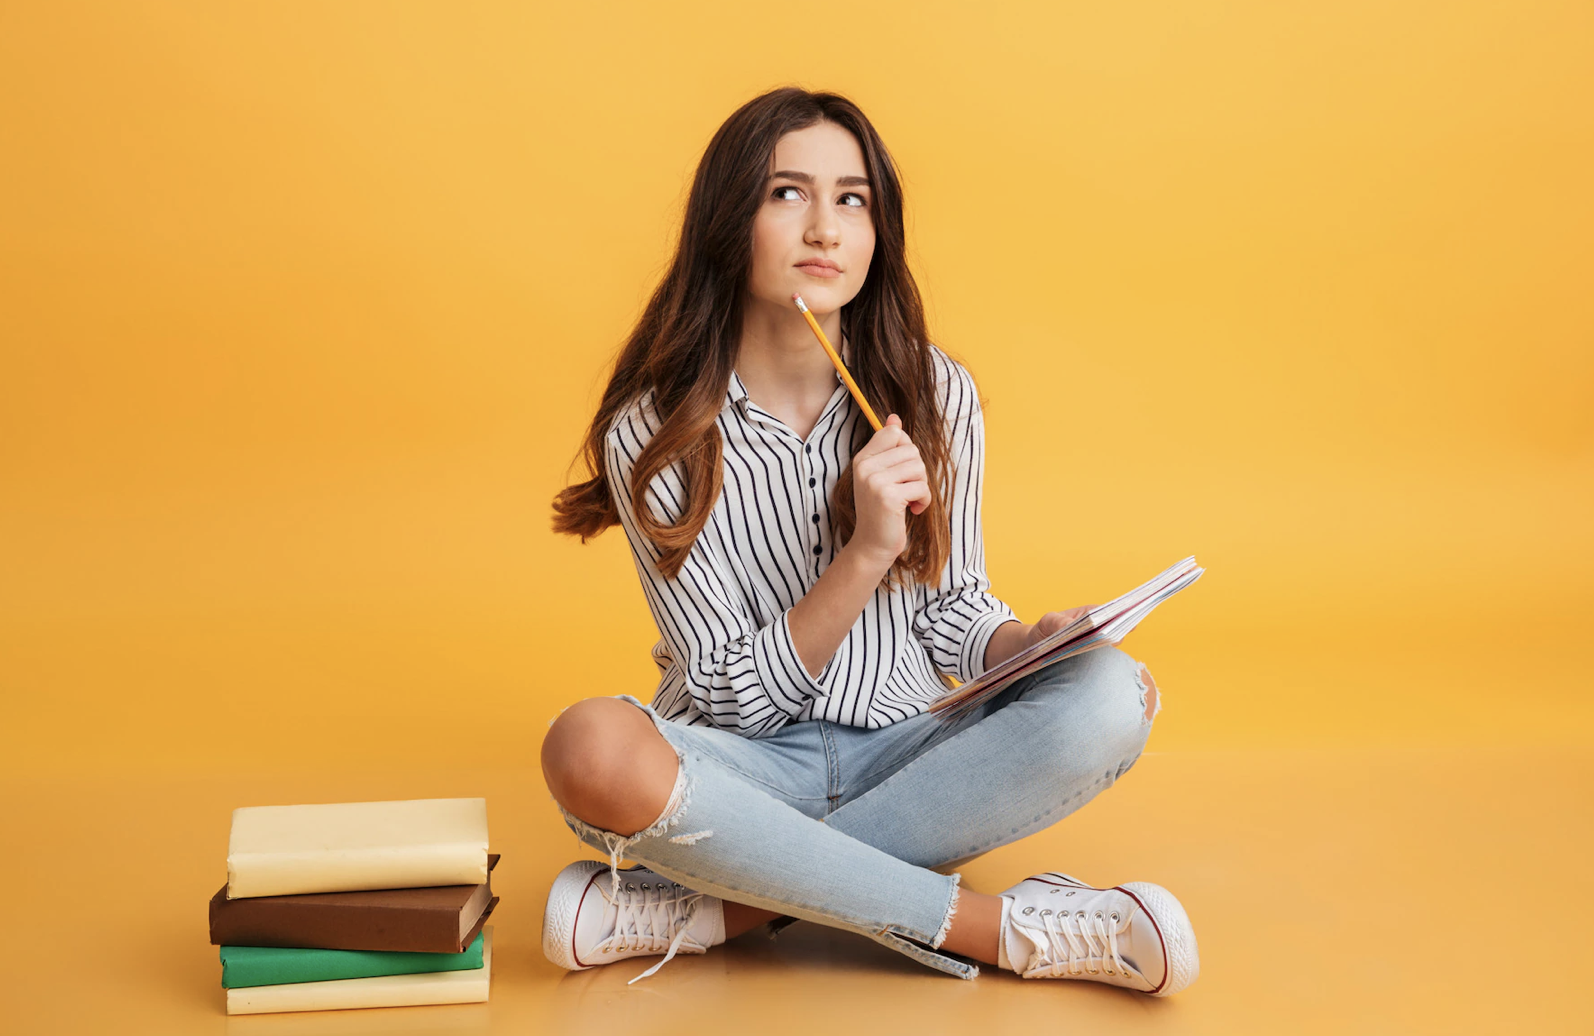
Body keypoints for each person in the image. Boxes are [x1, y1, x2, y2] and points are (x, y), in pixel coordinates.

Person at [539, 86, 1199, 995]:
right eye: (788, 194)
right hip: (743, 771)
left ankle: (725, 907)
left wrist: (1027, 647)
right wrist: (862, 557)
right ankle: (997, 930)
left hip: (910, 750)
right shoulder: (654, 434)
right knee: (589, 747)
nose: (825, 229)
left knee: (1114, 695)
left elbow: (954, 615)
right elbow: (732, 700)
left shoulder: (935, 394)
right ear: (730, 221)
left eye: (852, 200)